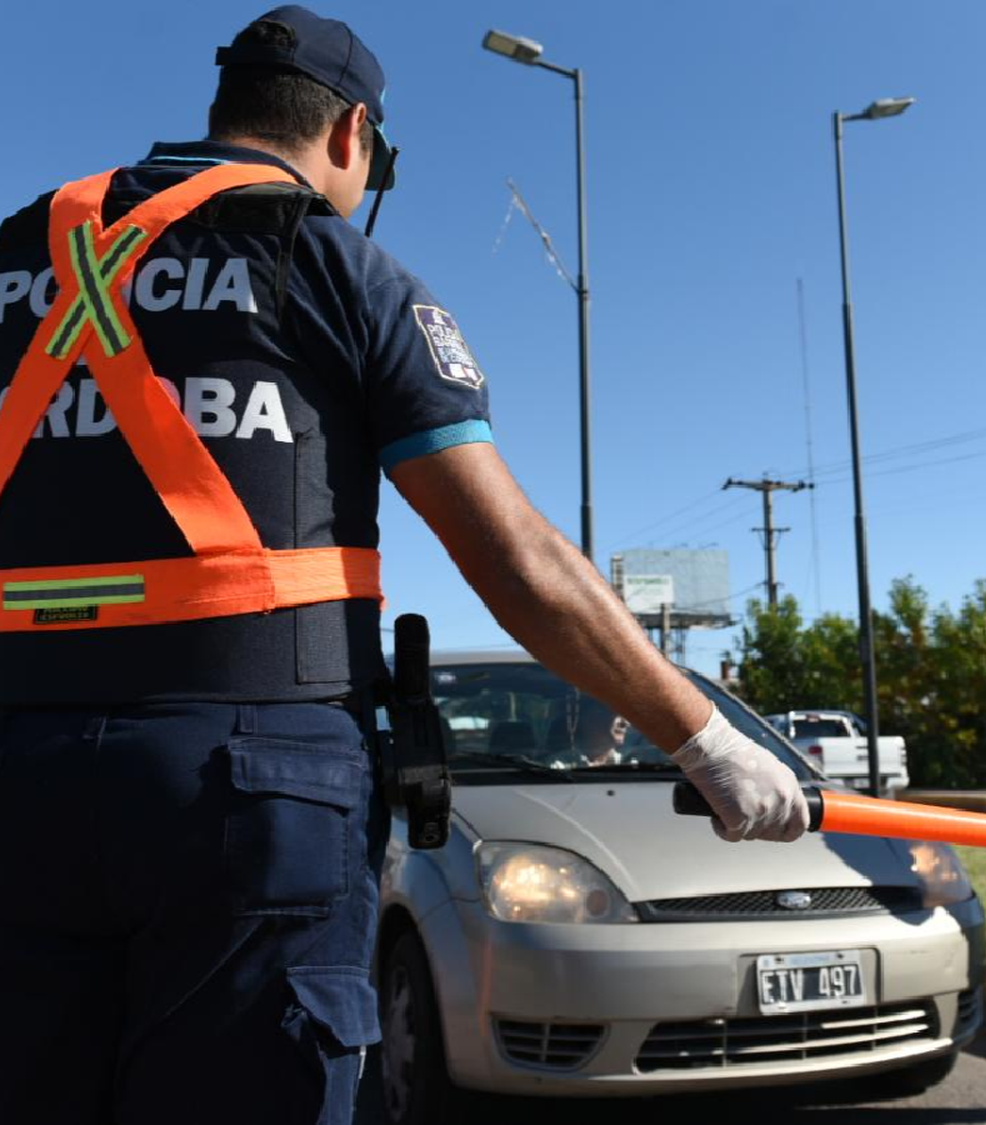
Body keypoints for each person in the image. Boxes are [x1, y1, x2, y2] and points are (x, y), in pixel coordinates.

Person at [0, 8, 806, 1125]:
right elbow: (510, 554)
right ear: (352, 136)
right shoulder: (339, 264)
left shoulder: (16, 251)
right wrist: (705, 740)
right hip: (247, 787)